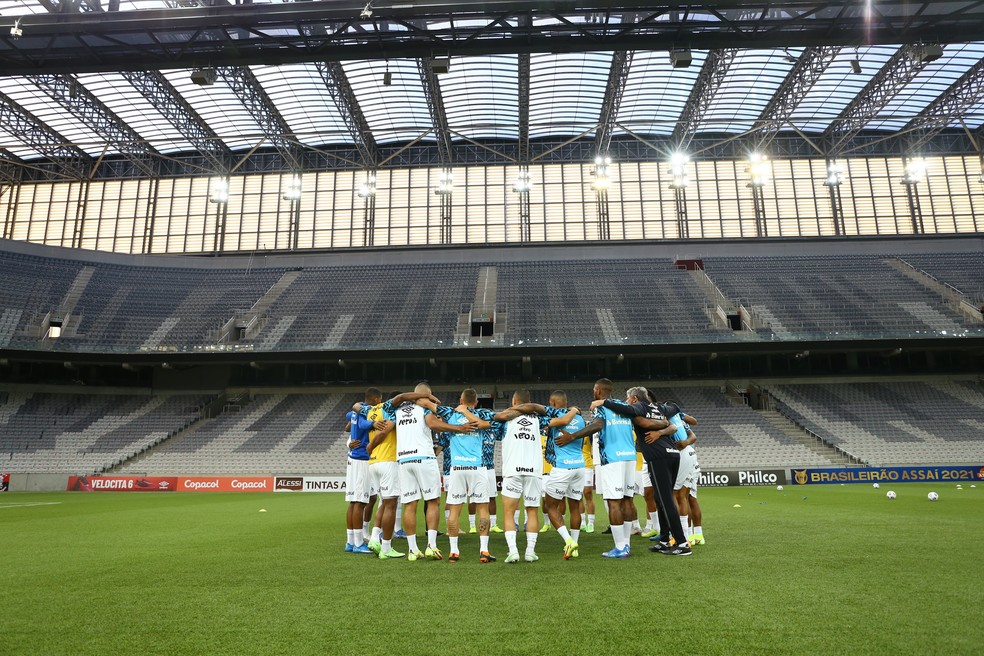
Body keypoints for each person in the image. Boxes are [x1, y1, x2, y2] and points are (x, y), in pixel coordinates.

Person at [355, 384, 476, 561]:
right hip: (424, 458)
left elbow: (385, 428)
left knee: (410, 504)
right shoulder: (424, 407)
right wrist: (459, 429)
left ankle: (412, 549)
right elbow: (432, 423)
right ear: (426, 394)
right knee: (432, 501)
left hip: (404, 460)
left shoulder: (396, 409)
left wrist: (371, 446)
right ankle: (431, 546)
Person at [459, 390, 570, 563]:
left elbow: (479, 424)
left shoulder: (505, 420)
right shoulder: (538, 420)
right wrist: (575, 411)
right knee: (532, 511)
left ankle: (513, 552)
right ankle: (530, 552)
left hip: (513, 471)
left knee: (509, 512)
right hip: (534, 471)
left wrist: (464, 411)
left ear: (515, 401)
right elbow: (563, 420)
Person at [600, 387, 691, 556]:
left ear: (634, 399)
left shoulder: (640, 407)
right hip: (672, 454)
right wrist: (663, 427)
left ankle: (682, 542)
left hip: (658, 456)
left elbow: (625, 409)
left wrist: (604, 401)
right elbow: (675, 407)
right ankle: (664, 540)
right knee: (660, 498)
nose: (627, 402)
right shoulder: (660, 408)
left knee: (666, 500)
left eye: (628, 398)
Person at [556, 379, 641, 558]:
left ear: (598, 390)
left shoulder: (600, 406)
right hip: (629, 456)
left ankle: (619, 547)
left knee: (613, 502)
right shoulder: (622, 405)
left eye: (594, 389)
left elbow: (598, 425)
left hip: (612, 457)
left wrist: (573, 436)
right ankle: (626, 545)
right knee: (627, 500)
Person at [420, 389, 498, 563]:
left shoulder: (449, 412)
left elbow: (423, 403)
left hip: (456, 468)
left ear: (461, 400)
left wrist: (432, 398)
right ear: (476, 402)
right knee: (483, 509)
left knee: (454, 509)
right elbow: (488, 425)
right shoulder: (482, 413)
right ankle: (484, 551)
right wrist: (468, 413)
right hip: (477, 467)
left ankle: (454, 552)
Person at [542, 390, 586, 559]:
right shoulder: (581, 419)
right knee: (575, 507)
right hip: (579, 467)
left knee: (550, 505)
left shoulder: (555, 419)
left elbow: (548, 425)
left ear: (553, 403)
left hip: (562, 468)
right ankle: (575, 546)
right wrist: (574, 410)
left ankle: (568, 541)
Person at [363, 388, 404, 559]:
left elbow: (357, 406)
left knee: (384, 502)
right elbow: (384, 432)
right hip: (388, 459)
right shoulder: (390, 411)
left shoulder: (371, 411)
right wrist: (371, 445)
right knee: (391, 504)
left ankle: (374, 539)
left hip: (374, 462)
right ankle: (386, 547)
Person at [662, 400, 702, 545]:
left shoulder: (670, 417)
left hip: (683, 454)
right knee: (686, 496)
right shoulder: (678, 417)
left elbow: (693, 425)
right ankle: (692, 534)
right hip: (691, 455)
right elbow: (693, 426)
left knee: (677, 495)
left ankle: (682, 536)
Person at [344, 395, 375, 554]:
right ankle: (358, 543)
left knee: (353, 502)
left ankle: (350, 541)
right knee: (360, 503)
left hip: (352, 459)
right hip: (362, 460)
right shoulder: (367, 412)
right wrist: (374, 423)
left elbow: (348, 419)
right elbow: (363, 424)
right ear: (376, 399)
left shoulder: (355, 411)